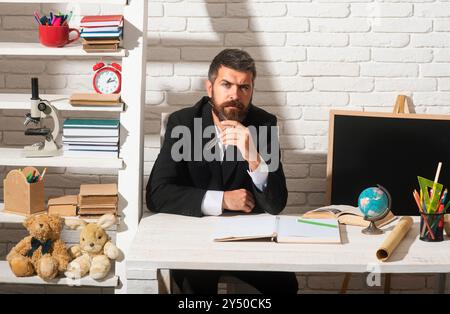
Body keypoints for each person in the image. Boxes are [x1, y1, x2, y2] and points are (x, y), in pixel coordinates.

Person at [146, 49, 298, 294]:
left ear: (251, 90)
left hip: (248, 241)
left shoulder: (264, 124)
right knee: (197, 287)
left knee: (286, 285)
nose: (235, 95)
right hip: (194, 239)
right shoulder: (183, 123)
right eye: (226, 84)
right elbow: (156, 194)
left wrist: (254, 157)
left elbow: (276, 204)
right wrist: (223, 200)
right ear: (210, 88)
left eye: (244, 87)